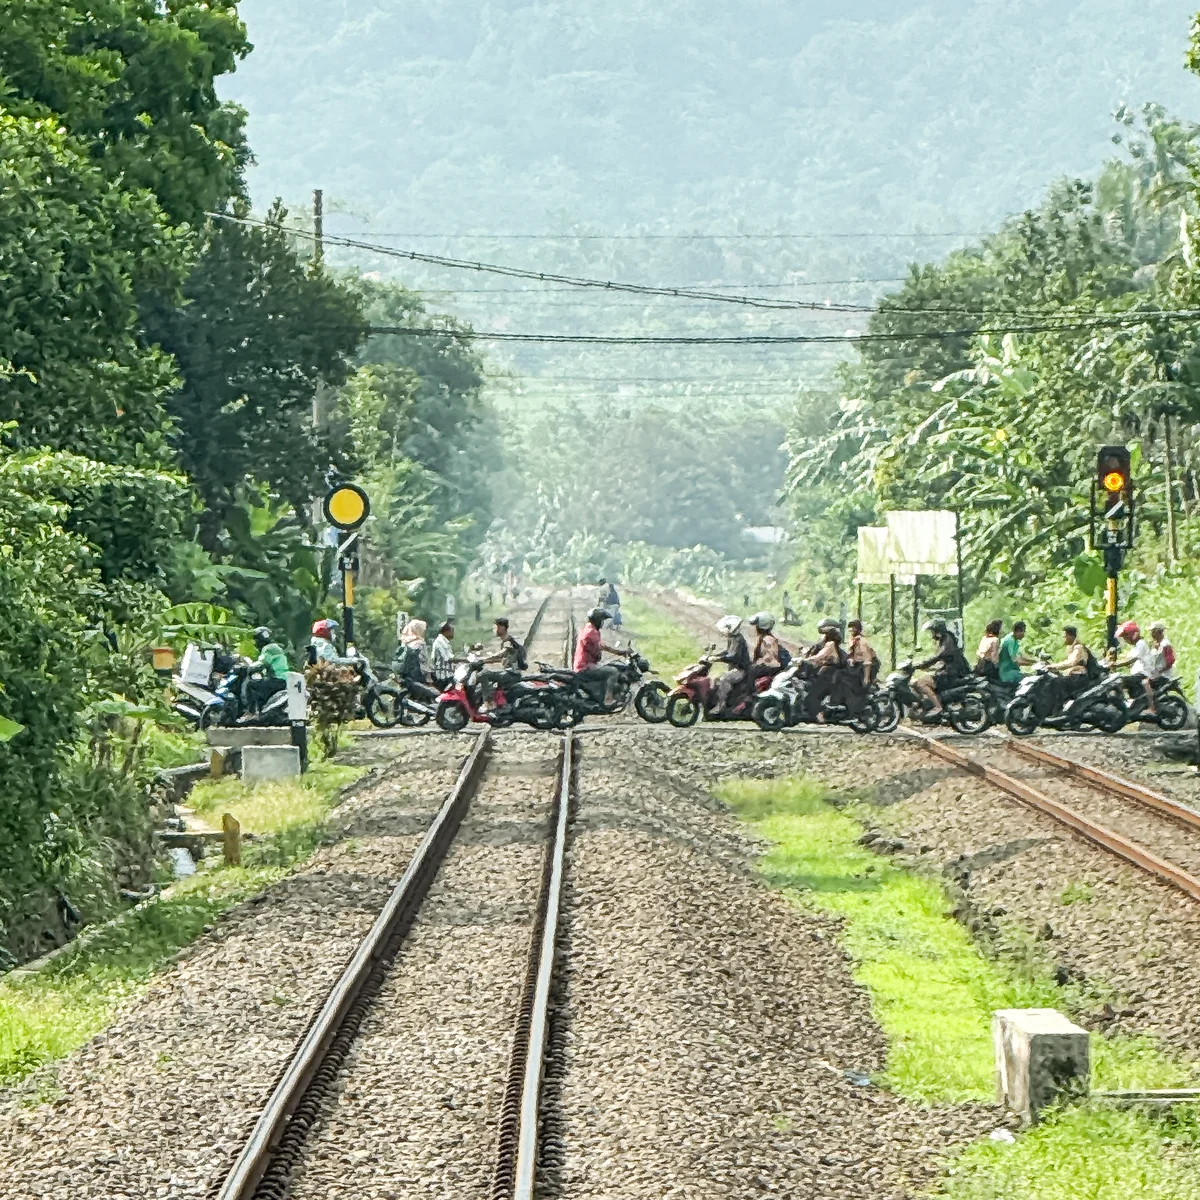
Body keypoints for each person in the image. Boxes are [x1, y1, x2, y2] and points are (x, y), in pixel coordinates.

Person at [912, 618, 970, 717]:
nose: (932, 635)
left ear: (937, 631)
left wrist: (922, 664)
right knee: (915, 683)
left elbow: (938, 656)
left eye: (932, 632)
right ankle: (926, 705)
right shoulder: (947, 639)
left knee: (921, 683)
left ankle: (937, 706)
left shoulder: (947, 640)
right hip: (951, 670)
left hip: (952, 673)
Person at [573, 607, 631, 703]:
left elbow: (601, 646)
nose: (602, 623)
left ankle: (603, 693)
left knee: (608, 666)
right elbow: (597, 651)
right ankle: (609, 698)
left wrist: (619, 652)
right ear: (597, 620)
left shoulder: (589, 628)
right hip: (585, 667)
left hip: (583, 665)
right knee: (613, 671)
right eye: (602, 620)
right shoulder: (592, 633)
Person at [1109, 620, 1161, 715]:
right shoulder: (1136, 646)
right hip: (1138, 674)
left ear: (1132, 634)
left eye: (1125, 635)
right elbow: (1127, 658)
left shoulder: (1141, 644)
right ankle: (1131, 701)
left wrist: (1115, 664)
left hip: (1143, 674)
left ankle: (1125, 703)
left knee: (1119, 680)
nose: (1125, 639)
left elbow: (1129, 660)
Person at [804, 618, 848, 719]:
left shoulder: (830, 644)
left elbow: (820, 656)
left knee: (814, 691)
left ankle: (817, 715)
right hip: (827, 672)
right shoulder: (829, 644)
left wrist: (806, 660)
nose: (822, 636)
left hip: (829, 674)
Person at [242, 626, 289, 719]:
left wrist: (248, 667)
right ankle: (260, 711)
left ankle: (250, 712)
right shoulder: (275, 647)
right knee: (260, 684)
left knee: (250, 684)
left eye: (256, 639)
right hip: (282, 680)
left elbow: (262, 663)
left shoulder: (268, 648)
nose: (255, 642)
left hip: (277, 679)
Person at [480, 616, 528, 705]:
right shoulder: (507, 641)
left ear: (502, 628)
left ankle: (488, 702)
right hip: (511, 672)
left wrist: (481, 659)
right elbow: (499, 658)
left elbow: (500, 654)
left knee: (483, 674)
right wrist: (484, 661)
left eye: (496, 627)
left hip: (511, 674)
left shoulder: (509, 642)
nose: (494, 630)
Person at [711, 614, 752, 715]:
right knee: (715, 678)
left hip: (741, 670)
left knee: (724, 679)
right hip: (735, 668)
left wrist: (718, 658)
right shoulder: (733, 638)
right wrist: (714, 656)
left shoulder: (738, 640)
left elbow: (733, 656)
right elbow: (727, 652)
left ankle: (721, 705)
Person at [1048, 625, 1096, 707]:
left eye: (1065, 636)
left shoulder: (1078, 647)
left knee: (1056, 683)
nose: (1064, 638)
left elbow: (1072, 662)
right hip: (1073, 675)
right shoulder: (1072, 648)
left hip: (1079, 677)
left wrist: (1054, 666)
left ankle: (1061, 706)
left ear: (1071, 636)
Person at [748, 612, 783, 684]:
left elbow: (769, 657)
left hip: (770, 667)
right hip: (768, 666)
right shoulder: (764, 638)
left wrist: (757, 663)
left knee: (749, 671)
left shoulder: (767, 639)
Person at [395, 619, 432, 684]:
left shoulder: (404, 641)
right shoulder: (420, 643)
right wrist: (428, 678)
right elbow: (423, 662)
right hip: (417, 677)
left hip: (404, 675)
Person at [998, 621, 1033, 686]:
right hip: (1007, 672)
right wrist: (1031, 664)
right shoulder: (1010, 641)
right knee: (1030, 679)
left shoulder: (1015, 640)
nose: (1023, 634)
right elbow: (1015, 660)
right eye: (1022, 631)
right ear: (1017, 631)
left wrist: (1034, 661)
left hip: (1013, 670)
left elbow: (1020, 656)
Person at [846, 619, 879, 688]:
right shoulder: (853, 640)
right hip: (858, 665)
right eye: (850, 628)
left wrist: (866, 678)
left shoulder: (862, 642)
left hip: (868, 666)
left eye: (853, 628)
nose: (851, 630)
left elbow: (867, 660)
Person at [431, 620, 456, 688]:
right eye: (452, 631)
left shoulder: (445, 641)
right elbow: (448, 658)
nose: (453, 633)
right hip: (443, 676)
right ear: (446, 632)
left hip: (447, 675)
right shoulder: (440, 642)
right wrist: (466, 660)